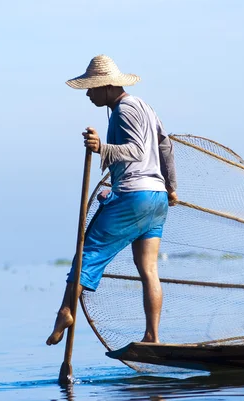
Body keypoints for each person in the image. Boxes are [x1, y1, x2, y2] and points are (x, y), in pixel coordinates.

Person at [46, 55, 177, 345]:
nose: (89, 94)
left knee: (87, 251)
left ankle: (65, 311)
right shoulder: (145, 106)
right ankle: (152, 336)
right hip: (156, 200)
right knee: (149, 270)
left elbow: (136, 151)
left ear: (107, 86)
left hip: (134, 196)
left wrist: (100, 148)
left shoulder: (123, 110)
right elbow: (165, 146)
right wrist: (171, 187)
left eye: (92, 88)